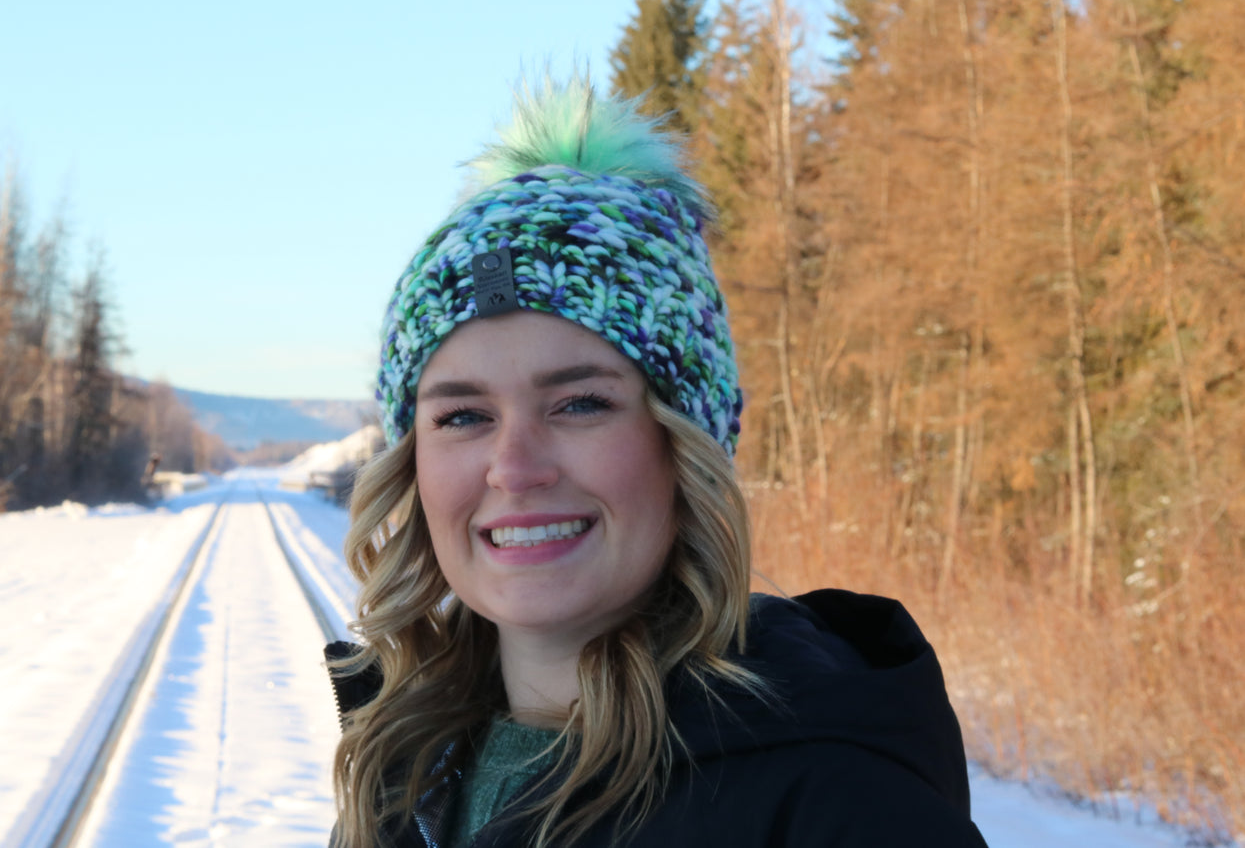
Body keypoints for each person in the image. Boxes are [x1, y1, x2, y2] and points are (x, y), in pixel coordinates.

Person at [326, 76, 990, 848]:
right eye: (463, 416)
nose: (512, 467)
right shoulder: (401, 771)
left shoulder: (835, 804)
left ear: (686, 444)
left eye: (579, 403)